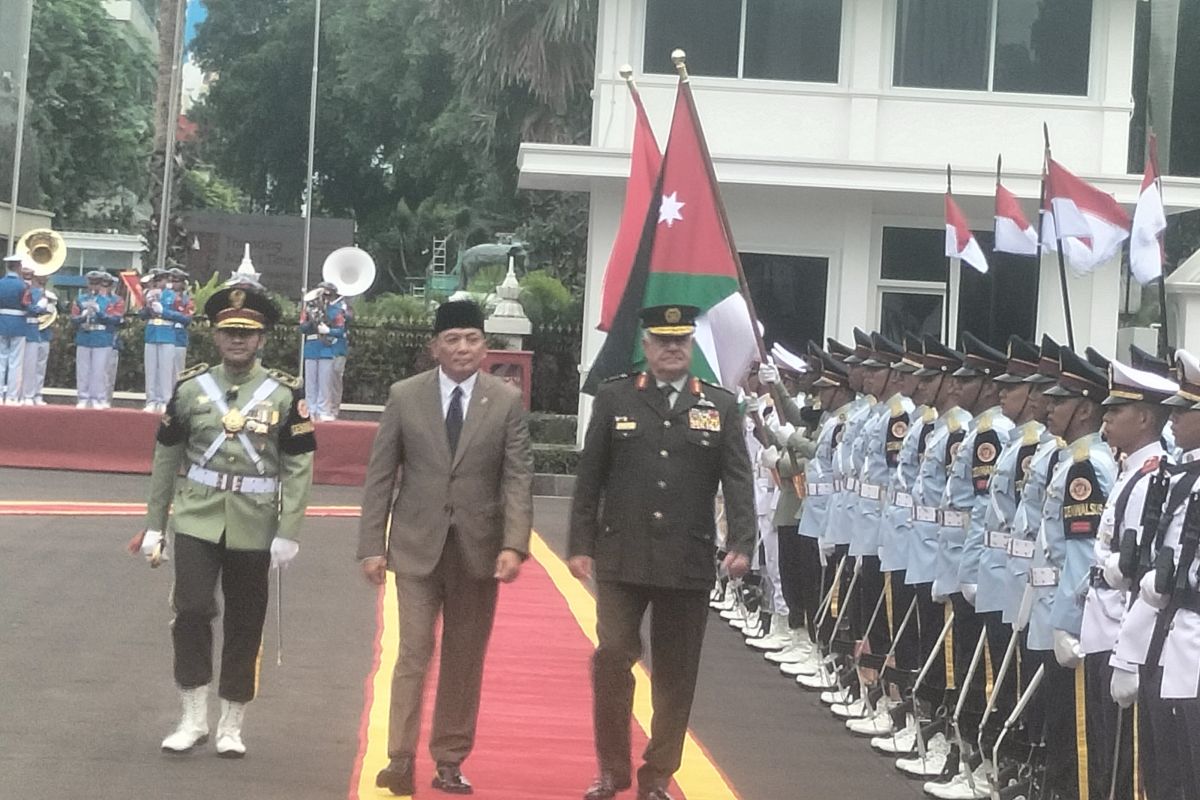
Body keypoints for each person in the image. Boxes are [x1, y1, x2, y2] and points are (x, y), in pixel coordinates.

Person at [568, 304, 756, 800]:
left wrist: (742, 541)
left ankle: (657, 776)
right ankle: (612, 770)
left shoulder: (718, 404)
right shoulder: (615, 399)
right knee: (612, 656)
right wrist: (579, 545)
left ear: (690, 346)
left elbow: (737, 478)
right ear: (646, 347)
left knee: (676, 672)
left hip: (686, 557)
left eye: (681, 341)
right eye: (663, 340)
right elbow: (591, 478)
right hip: (622, 555)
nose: (672, 348)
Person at [357, 299, 533, 797]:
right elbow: (380, 476)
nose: (462, 348)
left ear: (484, 346)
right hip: (414, 546)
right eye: (451, 339)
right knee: (413, 652)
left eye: (471, 339)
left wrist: (514, 545)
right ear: (435, 347)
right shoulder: (404, 396)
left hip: (477, 551)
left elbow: (517, 478)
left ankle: (450, 760)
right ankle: (400, 757)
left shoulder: (504, 400)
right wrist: (372, 544)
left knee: (464, 656)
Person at [133, 285, 315, 758]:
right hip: (196, 516)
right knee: (191, 609)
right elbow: (166, 456)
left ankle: (232, 722)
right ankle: (193, 715)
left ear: (262, 338)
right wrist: (156, 524)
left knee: (245, 621)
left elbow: (299, 466)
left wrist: (289, 531)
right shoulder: (191, 388)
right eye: (229, 332)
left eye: (247, 333)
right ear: (214, 336)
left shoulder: (285, 392)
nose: (237, 340)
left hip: (255, 524)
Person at [70, 271, 124, 409]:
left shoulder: (111, 301)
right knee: (83, 370)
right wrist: (82, 316)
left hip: (102, 337)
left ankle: (98, 397)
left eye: (97, 283)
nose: (93, 286)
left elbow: (115, 319)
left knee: (99, 370)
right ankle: (83, 397)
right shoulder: (81, 299)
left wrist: (99, 311)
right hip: (85, 336)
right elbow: (73, 318)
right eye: (91, 283)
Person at [19, 263, 54, 405]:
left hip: (42, 333)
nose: (43, 278)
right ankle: (23, 394)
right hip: (26, 329)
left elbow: (51, 313)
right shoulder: (23, 291)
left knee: (39, 366)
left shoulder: (48, 294)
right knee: (22, 365)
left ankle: (36, 393)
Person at [0, 253, 32, 404]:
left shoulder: (1, 283)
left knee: (1, 360)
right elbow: (28, 305)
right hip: (18, 324)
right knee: (15, 362)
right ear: (19, 267)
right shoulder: (23, 286)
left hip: (1, 323)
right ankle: (12, 396)